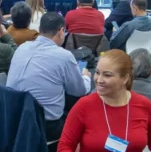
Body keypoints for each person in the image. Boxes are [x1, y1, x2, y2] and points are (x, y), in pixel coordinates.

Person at [7, 12, 91, 140]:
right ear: (61, 31)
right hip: (46, 127)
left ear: (39, 30)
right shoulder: (64, 56)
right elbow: (79, 91)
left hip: (13, 121)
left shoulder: (21, 48)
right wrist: (86, 77)